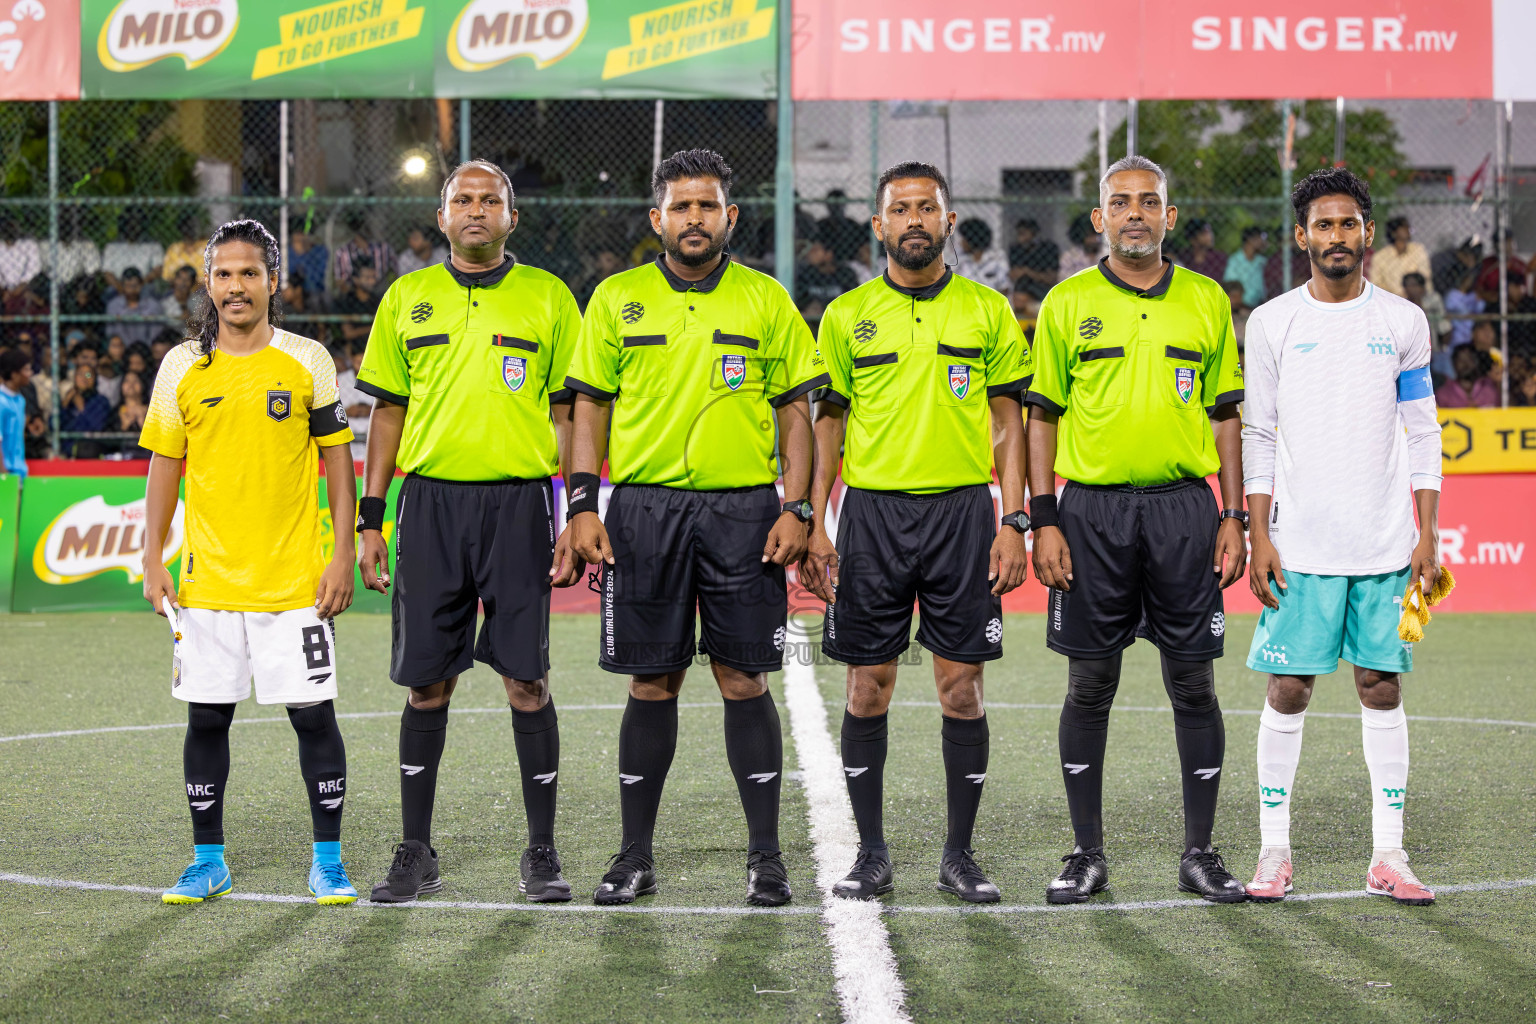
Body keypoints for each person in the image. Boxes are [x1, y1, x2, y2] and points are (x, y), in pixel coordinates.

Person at [565, 149, 826, 908]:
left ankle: (767, 859)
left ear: (729, 217)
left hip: (745, 511)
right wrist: (583, 504)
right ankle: (634, 855)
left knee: (743, 676)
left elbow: (794, 412)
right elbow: (590, 409)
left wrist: (798, 506)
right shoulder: (616, 299)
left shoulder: (766, 299)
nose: (694, 219)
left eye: (707, 207)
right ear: (658, 219)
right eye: (680, 207)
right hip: (643, 512)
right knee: (653, 679)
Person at [802, 161, 1032, 904]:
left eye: (925, 208)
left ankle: (959, 856)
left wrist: (1014, 518)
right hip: (872, 517)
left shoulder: (987, 312)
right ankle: (871, 854)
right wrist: (814, 519)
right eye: (899, 209)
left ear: (948, 221)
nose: (912, 220)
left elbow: (1008, 424)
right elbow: (827, 426)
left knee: (960, 688)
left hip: (964, 516)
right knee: (867, 686)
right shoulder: (844, 317)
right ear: (878, 226)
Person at [355, 160, 583, 905]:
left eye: (491, 200)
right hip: (428, 508)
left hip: (518, 506)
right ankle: (415, 851)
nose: (477, 210)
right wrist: (371, 515)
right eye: (463, 200)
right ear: (443, 214)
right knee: (427, 685)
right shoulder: (408, 297)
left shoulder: (549, 298)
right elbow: (386, 412)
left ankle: (542, 853)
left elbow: (569, 413)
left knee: (527, 680)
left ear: (512, 217)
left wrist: (577, 507)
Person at [1026, 155, 1249, 905]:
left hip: (1187, 510)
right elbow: (1042, 417)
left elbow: (1225, 416)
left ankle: (1201, 853)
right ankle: (1086, 854)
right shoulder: (1065, 304)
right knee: (1090, 683)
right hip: (1090, 514)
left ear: (1169, 216)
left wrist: (1233, 513)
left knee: (1193, 681)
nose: (1134, 214)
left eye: (1148, 202)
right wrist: (1043, 518)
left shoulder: (1207, 301)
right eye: (1119, 203)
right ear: (1098, 218)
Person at [138, 219, 360, 906]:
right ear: (208, 283)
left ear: (273, 281)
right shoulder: (181, 366)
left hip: (295, 583)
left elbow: (337, 464)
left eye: (249, 273)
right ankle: (208, 861)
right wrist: (151, 558)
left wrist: (342, 553)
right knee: (206, 720)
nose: (236, 287)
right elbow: (164, 468)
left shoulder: (308, 361)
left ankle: (328, 860)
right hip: (207, 587)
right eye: (224, 274)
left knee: (313, 717)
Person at [1242, 168, 1444, 905]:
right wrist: (1259, 533)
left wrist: (1428, 535)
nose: (1337, 236)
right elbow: (1258, 434)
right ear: (1302, 237)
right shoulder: (1271, 323)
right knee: (1289, 688)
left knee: (1380, 685)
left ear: (1366, 231)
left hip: (1388, 546)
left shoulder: (1402, 322)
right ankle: (1273, 851)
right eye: (1322, 225)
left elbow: (1423, 432)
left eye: (1349, 224)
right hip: (1301, 545)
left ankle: (1389, 854)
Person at [795, 237, 860, 323]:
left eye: (815, 250)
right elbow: (799, 302)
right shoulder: (806, 274)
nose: (809, 253)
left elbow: (854, 302)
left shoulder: (845, 274)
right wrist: (808, 308)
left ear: (829, 255)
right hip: (814, 322)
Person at [1368, 217, 1432, 298]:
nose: (1408, 229)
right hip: (1389, 299)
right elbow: (1375, 283)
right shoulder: (1380, 257)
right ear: (1393, 233)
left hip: (1416, 297)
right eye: (1404, 227)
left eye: (1408, 227)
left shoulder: (1418, 250)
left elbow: (1425, 276)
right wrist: (1396, 296)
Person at [59, 363, 112, 458]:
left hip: (92, 450)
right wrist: (65, 404)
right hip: (67, 450)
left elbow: (96, 427)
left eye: (88, 375)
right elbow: (54, 425)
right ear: (74, 378)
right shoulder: (68, 400)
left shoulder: (101, 401)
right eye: (80, 374)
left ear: (95, 379)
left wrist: (82, 409)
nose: (84, 378)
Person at [105, 268, 163, 349]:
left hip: (146, 350)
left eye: (135, 285)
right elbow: (110, 333)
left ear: (141, 285)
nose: (132, 289)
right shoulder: (114, 305)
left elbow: (156, 335)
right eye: (128, 285)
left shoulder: (153, 305)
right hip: (121, 350)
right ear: (122, 286)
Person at [954, 217, 1011, 293]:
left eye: (964, 239)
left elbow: (1005, 287)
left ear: (971, 239)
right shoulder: (960, 260)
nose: (961, 243)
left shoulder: (996, 258)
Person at [1008, 218, 1060, 302]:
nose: (1020, 239)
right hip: (1022, 290)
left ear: (1033, 233)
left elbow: (1051, 278)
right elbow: (1013, 274)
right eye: (1019, 234)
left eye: (1023, 234)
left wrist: (1027, 272)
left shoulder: (1048, 248)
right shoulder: (1015, 249)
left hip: (1042, 289)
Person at [332, 260, 381, 346]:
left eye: (373, 277)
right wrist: (374, 328)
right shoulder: (346, 301)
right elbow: (349, 334)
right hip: (351, 349)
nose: (372, 282)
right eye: (367, 278)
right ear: (356, 279)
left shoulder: (378, 301)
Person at [0, 347, 30, 478]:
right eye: (26, 369)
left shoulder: (20, 400)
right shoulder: (1, 401)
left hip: (19, 471)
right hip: (5, 472)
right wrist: (3, 472)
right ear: (14, 374)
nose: (30, 373)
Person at [1225, 226, 1268, 309]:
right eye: (1262, 238)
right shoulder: (1235, 260)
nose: (1265, 242)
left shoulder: (1261, 262)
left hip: (1259, 305)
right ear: (1251, 239)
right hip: (1238, 306)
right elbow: (1230, 286)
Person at [1178, 219, 1228, 283]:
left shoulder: (1219, 258)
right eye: (1204, 234)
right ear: (1193, 240)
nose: (1210, 236)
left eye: (1210, 232)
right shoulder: (1184, 257)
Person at [1057, 213, 1102, 278]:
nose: (1094, 240)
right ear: (1080, 237)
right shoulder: (1069, 257)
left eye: (1096, 235)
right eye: (1089, 236)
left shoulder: (1107, 255)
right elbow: (1064, 280)